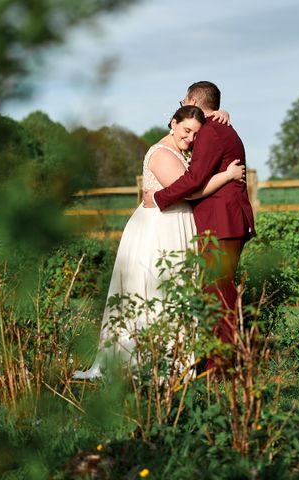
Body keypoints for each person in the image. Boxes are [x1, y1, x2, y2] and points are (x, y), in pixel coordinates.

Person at [72, 105, 245, 381]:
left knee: (177, 286)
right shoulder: (162, 153)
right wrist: (227, 176)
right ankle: (146, 360)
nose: (189, 139)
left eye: (194, 135)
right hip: (159, 228)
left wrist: (222, 112)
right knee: (155, 287)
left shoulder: (180, 149)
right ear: (172, 123)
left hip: (175, 225)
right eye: (186, 131)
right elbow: (189, 191)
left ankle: (175, 356)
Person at [143, 81, 255, 371]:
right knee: (215, 291)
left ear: (192, 99)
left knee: (219, 292)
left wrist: (158, 197)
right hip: (220, 222)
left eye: (184, 101)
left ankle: (221, 366)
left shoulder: (211, 131)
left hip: (223, 223)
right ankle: (213, 360)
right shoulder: (217, 127)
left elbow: (193, 180)